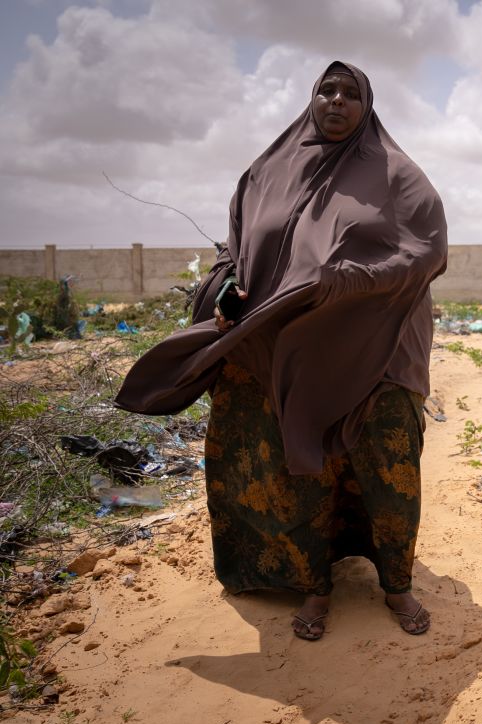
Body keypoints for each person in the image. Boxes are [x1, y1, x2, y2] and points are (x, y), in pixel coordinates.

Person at [115, 61, 448, 641]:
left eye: (350, 93)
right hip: (280, 346)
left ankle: (397, 584)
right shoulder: (267, 170)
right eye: (327, 90)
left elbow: (427, 253)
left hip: (377, 339)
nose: (337, 101)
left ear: (367, 106)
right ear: (311, 99)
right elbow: (235, 249)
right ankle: (312, 583)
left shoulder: (399, 175)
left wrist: (350, 281)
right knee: (292, 462)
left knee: (387, 467)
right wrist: (225, 285)